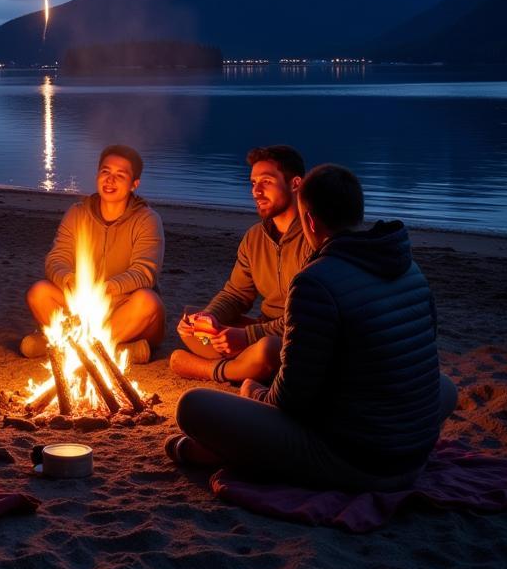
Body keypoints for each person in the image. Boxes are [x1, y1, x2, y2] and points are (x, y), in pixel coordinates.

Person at [168, 164, 458, 491]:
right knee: (444, 385)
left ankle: (216, 453)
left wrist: (252, 391)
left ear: (309, 220)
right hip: (410, 450)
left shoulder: (315, 281)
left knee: (192, 406)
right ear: (357, 212)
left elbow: (290, 401)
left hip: (356, 459)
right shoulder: (410, 269)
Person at [170, 145, 310, 384]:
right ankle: (244, 366)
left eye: (266, 181)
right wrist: (208, 319)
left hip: (297, 336)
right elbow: (235, 294)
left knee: (267, 349)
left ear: (295, 184)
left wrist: (248, 336)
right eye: (253, 183)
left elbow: (305, 318)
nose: (256, 191)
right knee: (193, 320)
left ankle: (212, 370)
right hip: (262, 328)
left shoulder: (313, 237)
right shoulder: (255, 237)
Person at [21, 144, 165, 364]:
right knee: (39, 292)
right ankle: (117, 352)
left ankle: (70, 347)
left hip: (124, 308)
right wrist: (69, 280)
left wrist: (104, 289)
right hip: (80, 304)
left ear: (134, 184)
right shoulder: (78, 213)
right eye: (105, 172)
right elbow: (56, 259)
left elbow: (145, 273)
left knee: (148, 301)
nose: (110, 180)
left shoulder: (146, 220)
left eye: (120, 175)